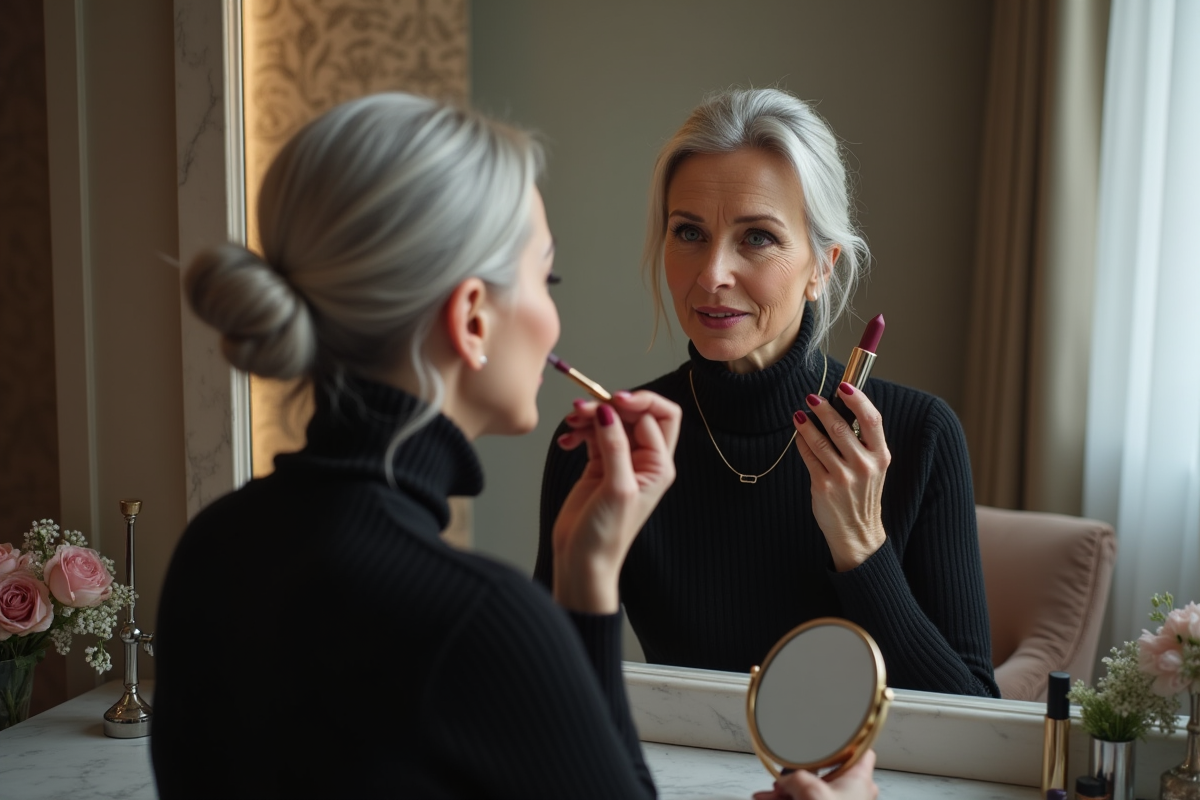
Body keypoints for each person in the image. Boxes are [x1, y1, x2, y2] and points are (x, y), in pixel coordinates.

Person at [150, 92, 876, 800]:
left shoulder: (212, 545)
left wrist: (587, 573)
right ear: (473, 319)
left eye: (757, 236)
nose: (554, 319)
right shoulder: (481, 621)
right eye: (544, 277)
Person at [537, 87, 1000, 699]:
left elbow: (973, 715)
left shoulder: (923, 434)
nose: (711, 275)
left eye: (757, 237)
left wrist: (862, 545)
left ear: (822, 266)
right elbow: (540, 697)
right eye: (688, 232)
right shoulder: (609, 449)